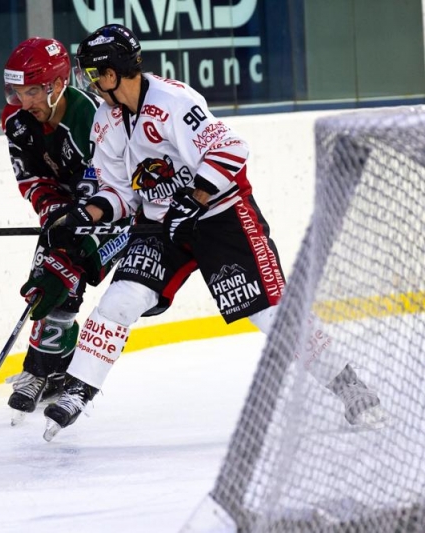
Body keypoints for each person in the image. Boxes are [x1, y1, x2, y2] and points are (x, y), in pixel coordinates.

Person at [38, 24, 387, 441]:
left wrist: (195, 198)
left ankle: (350, 387)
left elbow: (231, 149)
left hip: (221, 216)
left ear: (113, 74)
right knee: (121, 298)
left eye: (94, 74)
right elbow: (118, 193)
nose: (90, 82)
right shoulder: (106, 120)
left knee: (271, 312)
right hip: (161, 224)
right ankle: (78, 389)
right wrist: (86, 214)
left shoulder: (173, 102)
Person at [1, 37, 130, 424]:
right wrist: (53, 211)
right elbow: (32, 179)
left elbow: (110, 184)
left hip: (117, 212)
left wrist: (73, 223)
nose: (24, 101)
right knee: (47, 278)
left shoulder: (92, 117)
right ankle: (51, 371)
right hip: (69, 211)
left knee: (66, 270)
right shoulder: (16, 122)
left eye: (33, 91)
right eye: (18, 92)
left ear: (58, 85)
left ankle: (42, 369)